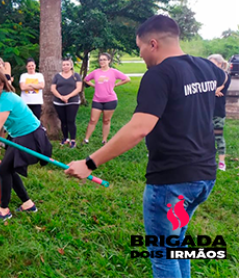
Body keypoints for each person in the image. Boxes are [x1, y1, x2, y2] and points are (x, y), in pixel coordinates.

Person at [65, 15, 226, 278]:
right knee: (176, 245)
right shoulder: (206, 68)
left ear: (153, 44)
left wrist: (89, 163)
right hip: (204, 176)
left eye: (139, 47)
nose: (140, 54)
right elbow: (223, 79)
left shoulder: (159, 75)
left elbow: (139, 128)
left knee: (163, 256)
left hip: (172, 181)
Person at [0, 70, 52, 221]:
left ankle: (4, 210)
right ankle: (28, 204)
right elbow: (1, 128)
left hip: (31, 137)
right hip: (18, 136)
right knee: (9, 168)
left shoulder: (6, 100)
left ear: (2, 85)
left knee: (4, 169)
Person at [82, 53, 131, 145]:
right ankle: (86, 139)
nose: (102, 61)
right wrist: (94, 86)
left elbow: (127, 79)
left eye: (104, 59)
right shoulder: (96, 72)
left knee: (106, 120)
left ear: (109, 61)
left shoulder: (113, 72)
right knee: (92, 120)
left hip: (110, 100)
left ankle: (104, 140)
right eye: (100, 60)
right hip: (97, 100)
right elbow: (86, 79)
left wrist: (116, 85)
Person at [51, 58, 82, 148]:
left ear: (71, 66)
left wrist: (68, 97)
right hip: (59, 102)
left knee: (70, 121)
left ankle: (72, 140)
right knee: (63, 121)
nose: (65, 66)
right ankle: (65, 138)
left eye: (67, 65)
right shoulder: (57, 76)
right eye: (64, 65)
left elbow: (78, 88)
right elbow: (53, 88)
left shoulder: (76, 76)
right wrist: (61, 97)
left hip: (73, 102)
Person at [207, 54, 231, 171]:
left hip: (218, 113)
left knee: (218, 136)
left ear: (220, 64)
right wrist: (213, 91)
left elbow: (213, 90)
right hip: (206, 112)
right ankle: (208, 160)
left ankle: (222, 162)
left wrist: (213, 90)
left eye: (213, 63)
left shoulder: (225, 77)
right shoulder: (207, 77)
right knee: (205, 137)